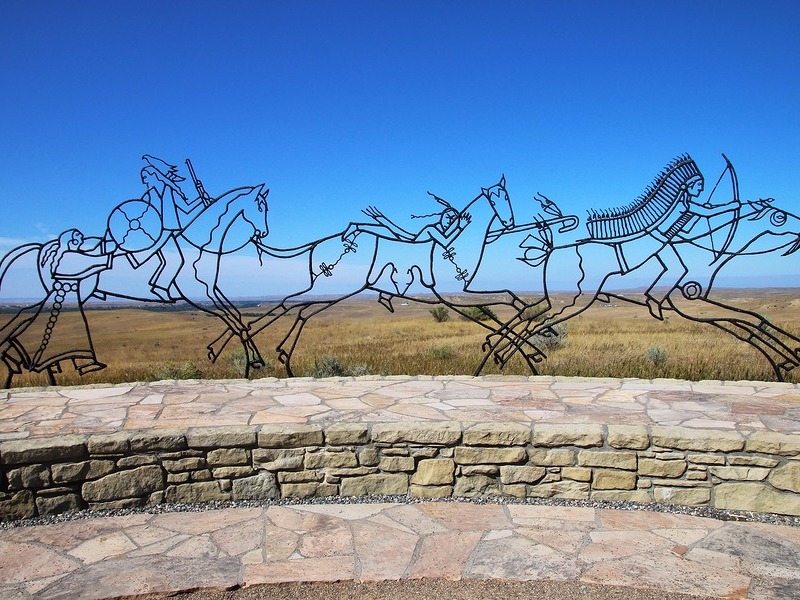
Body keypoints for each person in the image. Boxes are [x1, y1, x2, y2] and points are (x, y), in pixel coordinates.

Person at [1, 229, 115, 385]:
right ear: (72, 242)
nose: (82, 244)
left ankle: (81, 364)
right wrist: (114, 248)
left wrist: (108, 245)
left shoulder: (67, 256)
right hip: (58, 303)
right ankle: (83, 364)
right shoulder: (68, 257)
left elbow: (93, 260)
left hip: (61, 299)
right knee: (49, 336)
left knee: (47, 338)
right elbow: (96, 262)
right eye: (79, 241)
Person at [129, 155, 205, 301]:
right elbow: (142, 213)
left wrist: (201, 200)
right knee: (172, 260)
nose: (143, 180)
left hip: (167, 231)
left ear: (153, 175)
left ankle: (160, 287)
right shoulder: (149, 195)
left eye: (145, 176)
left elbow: (187, 209)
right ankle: (159, 286)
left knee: (175, 260)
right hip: (159, 232)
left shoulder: (169, 191)